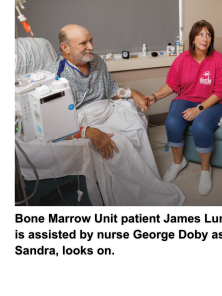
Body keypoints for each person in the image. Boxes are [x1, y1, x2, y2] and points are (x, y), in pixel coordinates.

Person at [41, 24, 185, 206]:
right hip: (83, 121)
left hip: (106, 109)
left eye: (91, 40)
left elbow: (112, 89)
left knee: (136, 127)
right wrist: (87, 132)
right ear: (65, 48)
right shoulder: (53, 77)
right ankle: (135, 197)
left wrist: (132, 93)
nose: (91, 47)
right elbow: (55, 124)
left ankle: (149, 180)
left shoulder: (96, 61)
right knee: (119, 146)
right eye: (83, 43)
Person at [145, 20, 222, 196]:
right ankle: (178, 162)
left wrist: (199, 108)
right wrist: (154, 97)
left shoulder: (219, 59)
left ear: (211, 39)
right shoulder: (182, 59)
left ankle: (205, 170)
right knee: (173, 122)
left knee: (200, 126)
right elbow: (172, 85)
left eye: (208, 34)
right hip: (186, 98)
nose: (204, 38)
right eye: (200, 34)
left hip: (213, 102)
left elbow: (220, 91)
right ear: (192, 39)